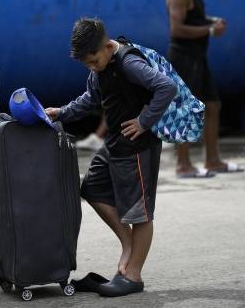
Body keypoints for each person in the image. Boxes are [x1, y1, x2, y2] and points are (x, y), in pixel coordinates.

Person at [46, 18, 176, 297]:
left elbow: (166, 87)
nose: (92, 68)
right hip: (116, 142)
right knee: (92, 188)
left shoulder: (129, 64)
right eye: (87, 65)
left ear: (107, 47)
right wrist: (62, 112)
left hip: (138, 147)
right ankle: (128, 246)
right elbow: (92, 99)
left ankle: (133, 276)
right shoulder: (99, 66)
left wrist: (144, 121)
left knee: (139, 213)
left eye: (94, 61)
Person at [165, 0, 244, 178]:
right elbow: (176, 29)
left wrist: (210, 20)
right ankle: (183, 165)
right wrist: (210, 30)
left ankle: (212, 161)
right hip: (184, 56)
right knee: (186, 109)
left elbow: (193, 17)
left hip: (199, 56)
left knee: (212, 105)